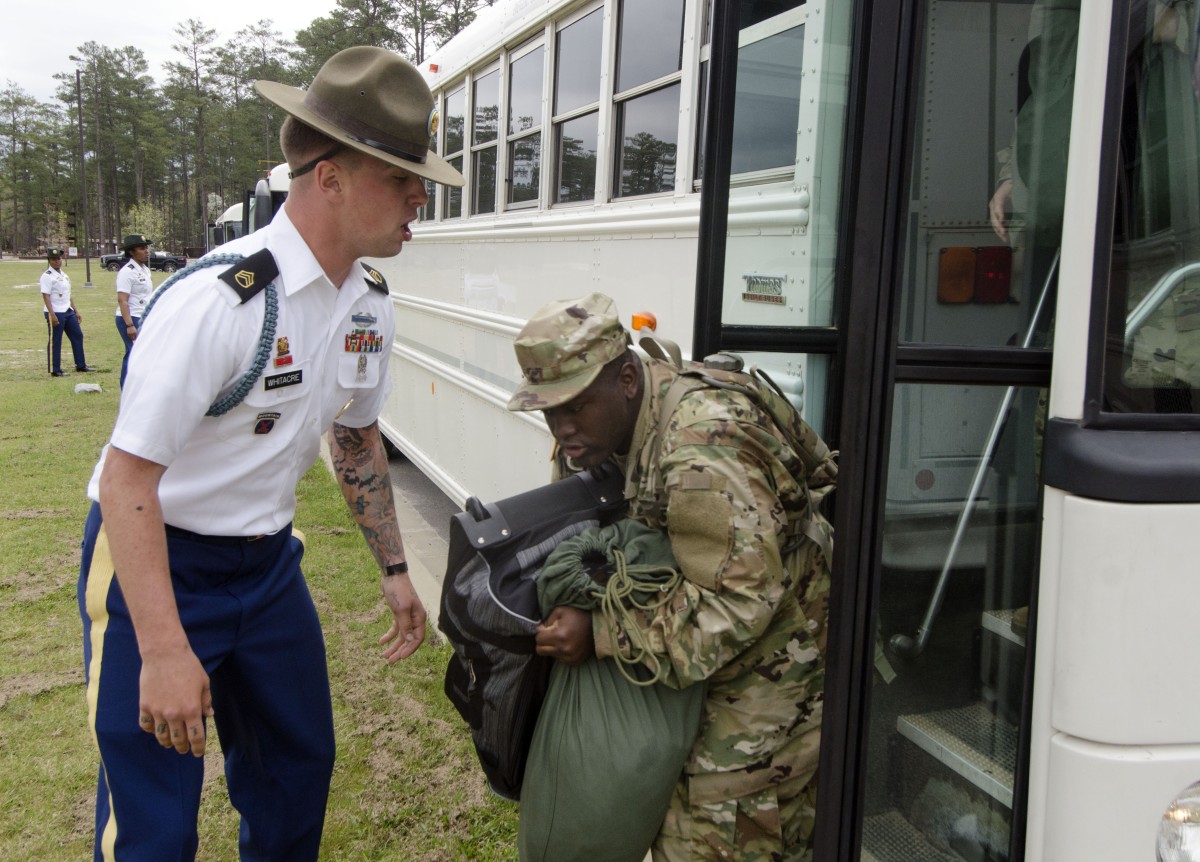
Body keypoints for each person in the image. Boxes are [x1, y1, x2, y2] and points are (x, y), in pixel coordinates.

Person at [77, 46, 464, 861]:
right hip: (160, 556)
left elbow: (355, 437)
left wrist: (396, 570)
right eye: (399, 175)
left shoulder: (368, 302)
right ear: (328, 177)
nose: (418, 195)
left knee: (296, 774)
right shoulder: (219, 303)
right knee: (153, 817)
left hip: (266, 565)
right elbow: (127, 478)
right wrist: (164, 648)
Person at [507, 293, 831, 861]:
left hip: (772, 671)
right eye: (549, 410)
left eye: (575, 407)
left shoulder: (703, 445)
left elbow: (736, 605)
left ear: (627, 378)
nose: (561, 427)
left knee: (708, 840)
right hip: (707, 665)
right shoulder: (611, 429)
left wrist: (602, 634)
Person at [40, 246, 93, 376]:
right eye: (53, 259)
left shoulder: (64, 275)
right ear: (49, 260)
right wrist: (52, 315)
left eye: (58, 258)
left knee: (77, 335)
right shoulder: (47, 276)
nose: (57, 261)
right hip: (55, 311)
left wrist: (75, 310)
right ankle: (55, 369)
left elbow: (68, 294)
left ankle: (80, 365)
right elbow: (46, 296)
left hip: (67, 310)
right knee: (56, 340)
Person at [113, 233, 154, 388]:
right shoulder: (127, 271)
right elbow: (122, 300)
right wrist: (129, 325)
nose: (146, 251)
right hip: (131, 318)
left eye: (146, 248)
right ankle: (126, 389)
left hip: (142, 316)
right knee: (133, 354)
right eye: (142, 248)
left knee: (142, 353)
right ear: (131, 251)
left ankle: (139, 387)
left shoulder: (144, 269)